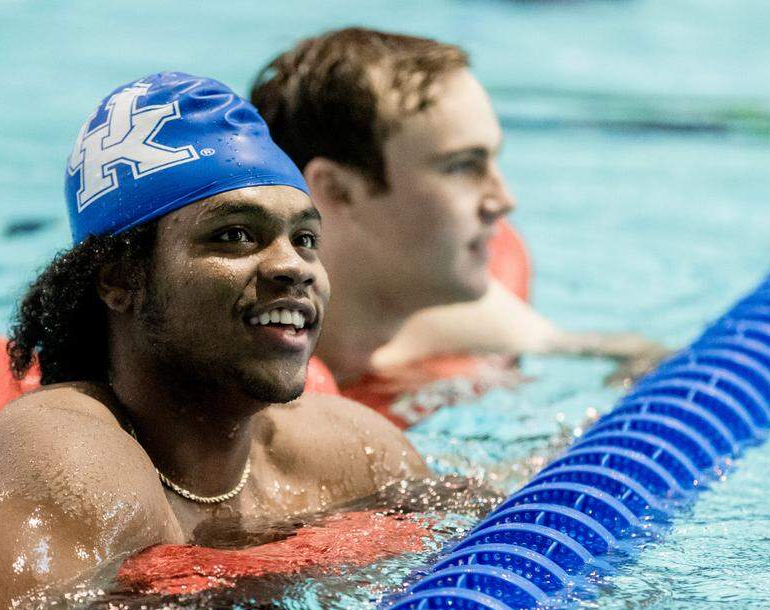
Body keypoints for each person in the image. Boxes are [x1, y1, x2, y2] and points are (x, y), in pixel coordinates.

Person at [0, 72, 427, 610]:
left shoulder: (353, 452)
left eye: (305, 238)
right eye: (235, 235)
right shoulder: (59, 460)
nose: (293, 266)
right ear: (119, 276)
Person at [250, 28, 668, 388]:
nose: (504, 200)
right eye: (463, 166)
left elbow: (639, 354)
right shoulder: (246, 362)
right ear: (339, 191)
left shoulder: (455, 318)